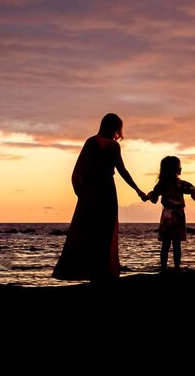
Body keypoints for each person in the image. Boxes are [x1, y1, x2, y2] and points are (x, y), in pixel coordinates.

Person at [52, 113, 148, 281]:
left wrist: (80, 192)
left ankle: (91, 270)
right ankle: (101, 270)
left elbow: (78, 170)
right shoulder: (112, 146)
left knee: (89, 230)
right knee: (105, 231)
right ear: (115, 128)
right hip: (105, 191)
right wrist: (138, 190)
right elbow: (122, 171)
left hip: (90, 192)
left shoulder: (91, 142)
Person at [146, 156, 195, 272]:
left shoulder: (161, 184)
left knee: (165, 245)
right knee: (176, 244)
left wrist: (146, 196)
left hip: (166, 216)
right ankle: (177, 268)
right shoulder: (181, 184)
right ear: (176, 169)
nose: (181, 168)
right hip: (178, 215)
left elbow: (153, 197)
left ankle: (163, 269)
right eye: (179, 166)